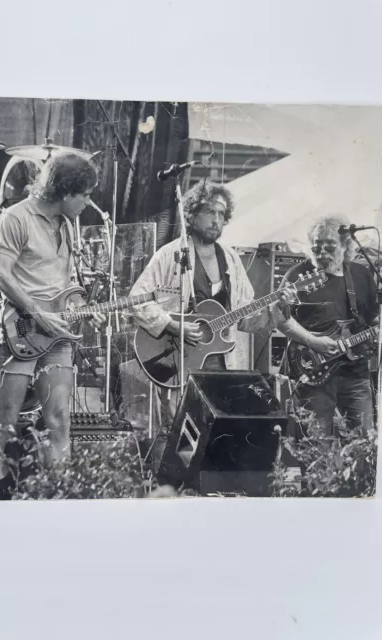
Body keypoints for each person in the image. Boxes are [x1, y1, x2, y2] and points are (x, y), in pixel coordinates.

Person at [129, 179, 288, 475]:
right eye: (209, 212)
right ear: (191, 214)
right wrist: (173, 325)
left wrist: (278, 310)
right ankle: (172, 488)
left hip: (222, 365)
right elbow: (136, 301)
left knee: (219, 432)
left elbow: (246, 319)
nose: (216, 220)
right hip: (178, 361)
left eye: (221, 214)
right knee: (180, 433)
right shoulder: (169, 255)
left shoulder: (230, 260)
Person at [0, 152, 105, 497]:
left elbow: (65, 285)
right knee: (5, 420)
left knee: (60, 420)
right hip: (22, 331)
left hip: (57, 337)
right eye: (85, 194)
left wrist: (82, 306)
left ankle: (58, 500)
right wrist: (37, 311)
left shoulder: (67, 224)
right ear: (64, 191)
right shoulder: (15, 217)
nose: (88, 203)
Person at [277, 214, 378, 437]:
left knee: (363, 442)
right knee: (315, 446)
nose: (322, 252)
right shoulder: (297, 275)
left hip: (354, 372)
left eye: (330, 246)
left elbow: (373, 319)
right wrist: (313, 341)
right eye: (317, 246)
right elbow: (279, 319)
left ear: (346, 246)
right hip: (312, 371)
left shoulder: (361, 274)